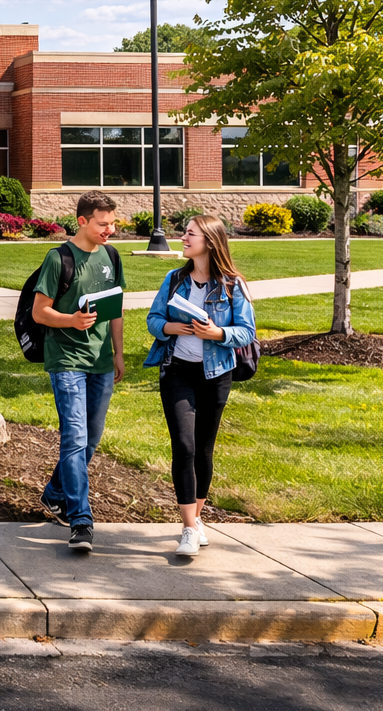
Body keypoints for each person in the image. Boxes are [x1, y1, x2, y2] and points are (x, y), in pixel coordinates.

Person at [145, 214, 255, 557]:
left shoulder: (232, 285)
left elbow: (247, 332)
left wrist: (216, 333)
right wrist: (171, 328)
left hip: (215, 375)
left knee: (204, 449)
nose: (183, 238)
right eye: (184, 233)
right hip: (177, 371)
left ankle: (196, 518)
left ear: (209, 241)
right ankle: (189, 528)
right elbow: (153, 319)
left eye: (190, 234)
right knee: (184, 445)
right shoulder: (174, 279)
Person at [32, 190, 126, 553]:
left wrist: (118, 352)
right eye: (103, 224)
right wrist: (71, 320)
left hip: (101, 361)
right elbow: (40, 312)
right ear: (82, 221)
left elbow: (116, 308)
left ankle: (54, 493)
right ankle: (80, 520)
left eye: (112, 223)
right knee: (74, 437)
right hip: (66, 360)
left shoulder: (111, 256)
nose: (110, 230)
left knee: (91, 438)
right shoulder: (59, 259)